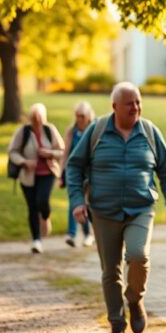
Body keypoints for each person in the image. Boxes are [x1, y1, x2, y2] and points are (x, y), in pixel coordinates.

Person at [66, 82, 166, 333]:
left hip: (140, 209)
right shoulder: (97, 131)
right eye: (130, 103)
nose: (136, 108)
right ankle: (117, 326)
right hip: (103, 211)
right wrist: (76, 201)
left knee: (139, 255)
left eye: (138, 102)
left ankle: (135, 299)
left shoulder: (149, 132)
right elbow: (74, 166)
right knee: (110, 271)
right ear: (115, 106)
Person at [8, 103, 66, 254]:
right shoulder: (23, 131)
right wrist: (24, 162)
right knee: (32, 207)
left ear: (44, 118)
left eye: (39, 119)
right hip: (28, 176)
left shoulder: (49, 130)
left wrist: (50, 153)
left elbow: (62, 151)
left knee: (42, 201)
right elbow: (12, 152)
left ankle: (46, 217)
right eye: (34, 119)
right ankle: (36, 240)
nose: (37, 122)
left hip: (47, 173)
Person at [60, 101, 95, 247]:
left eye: (82, 116)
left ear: (88, 116)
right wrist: (61, 173)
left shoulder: (93, 130)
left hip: (89, 173)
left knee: (85, 204)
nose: (79, 118)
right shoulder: (71, 131)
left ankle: (88, 235)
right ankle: (72, 234)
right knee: (74, 202)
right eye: (77, 115)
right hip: (73, 172)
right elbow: (65, 152)